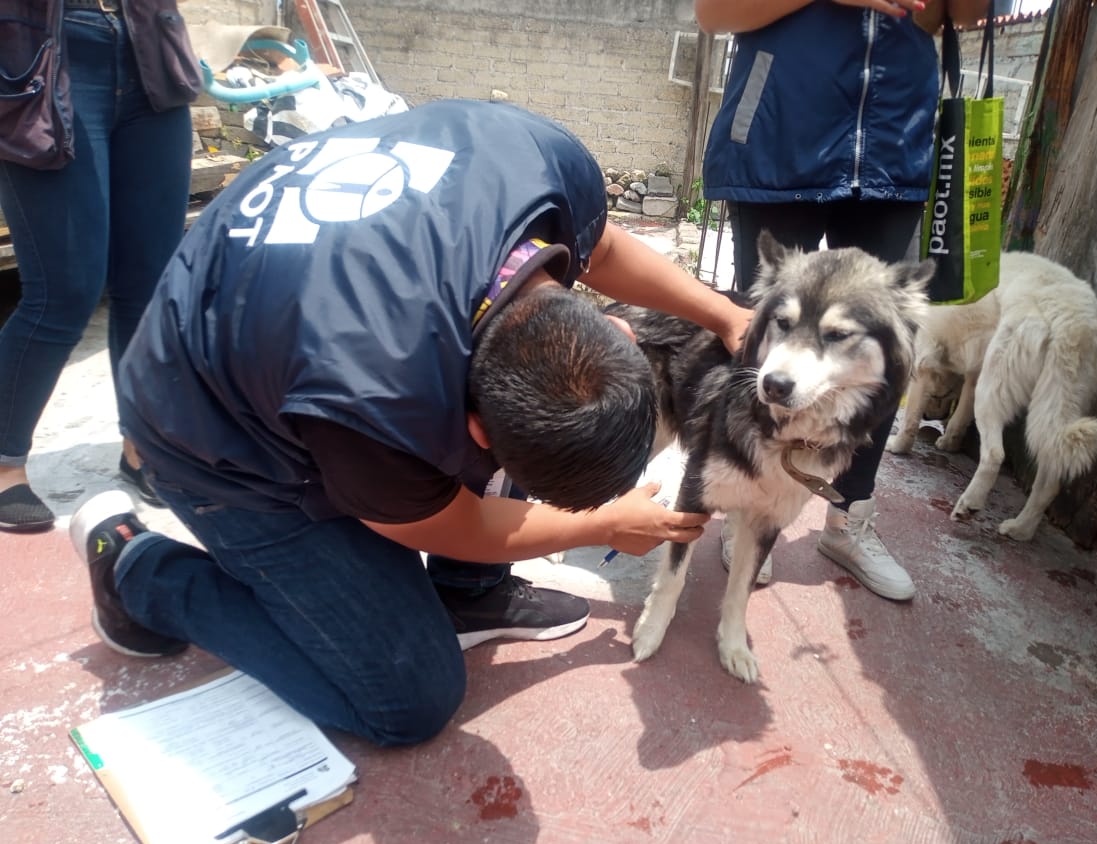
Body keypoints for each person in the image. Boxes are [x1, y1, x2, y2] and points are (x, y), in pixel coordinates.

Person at [69, 98, 753, 747]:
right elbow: (452, 521)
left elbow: (597, 249)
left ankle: (467, 593)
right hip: (208, 430)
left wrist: (723, 315)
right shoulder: (372, 408)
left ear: (618, 334)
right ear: (476, 438)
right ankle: (136, 565)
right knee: (407, 700)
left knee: (535, 415)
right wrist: (600, 525)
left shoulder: (541, 167)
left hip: (294, 317)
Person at [697, 0, 990, 601]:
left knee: (879, 355)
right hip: (781, 136)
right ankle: (749, 510)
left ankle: (849, 517)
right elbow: (712, 11)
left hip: (895, 145)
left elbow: (966, 15)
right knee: (767, 345)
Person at [0, 0, 201, 532]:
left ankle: (142, 452)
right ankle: (4, 465)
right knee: (64, 293)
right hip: (43, 49)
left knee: (150, 286)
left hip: (147, 47)